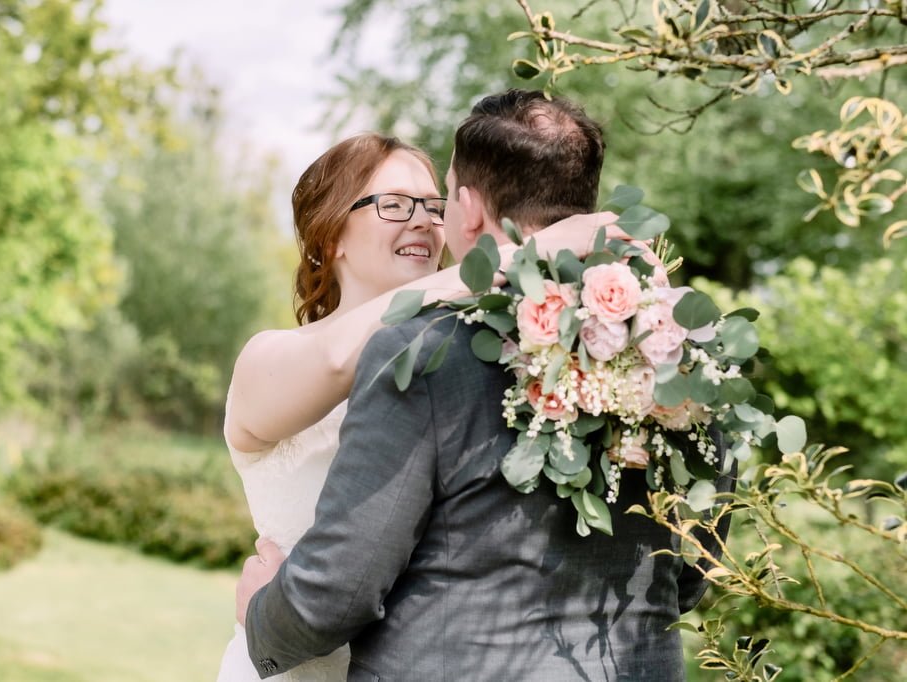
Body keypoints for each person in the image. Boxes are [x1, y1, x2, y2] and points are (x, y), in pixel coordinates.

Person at [236, 90, 729, 681]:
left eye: (434, 201)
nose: (424, 219)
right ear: (329, 233)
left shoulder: (436, 353)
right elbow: (690, 567)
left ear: (464, 211)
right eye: (393, 204)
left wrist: (263, 613)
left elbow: (338, 592)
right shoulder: (676, 347)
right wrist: (529, 254)